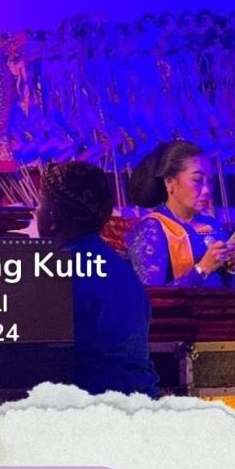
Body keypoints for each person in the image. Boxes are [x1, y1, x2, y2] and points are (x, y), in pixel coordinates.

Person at [37, 161, 159, 397]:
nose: (36, 211)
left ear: (53, 214)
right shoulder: (122, 268)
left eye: (41, 203)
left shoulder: (59, 272)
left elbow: (39, 356)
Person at [127, 140, 235, 287]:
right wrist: (202, 269)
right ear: (170, 182)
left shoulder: (214, 225)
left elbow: (226, 289)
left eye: (209, 182)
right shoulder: (153, 229)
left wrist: (231, 269)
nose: (207, 190)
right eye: (197, 180)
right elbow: (149, 296)